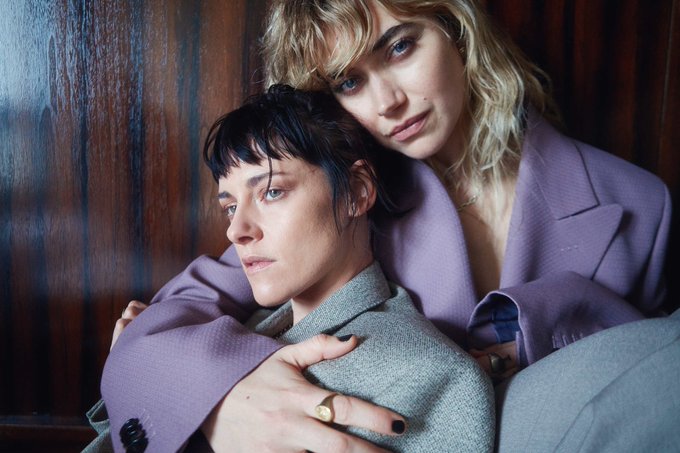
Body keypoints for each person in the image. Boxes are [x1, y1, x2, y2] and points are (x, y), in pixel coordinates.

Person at [101, 0, 674, 451]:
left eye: (400, 47)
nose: (388, 101)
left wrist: (529, 345)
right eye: (349, 82)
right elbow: (156, 334)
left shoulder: (641, 206)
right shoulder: (342, 200)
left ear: (457, 29)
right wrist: (223, 407)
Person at [93, 85, 495, 452]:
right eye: (230, 206)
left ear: (357, 191)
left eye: (271, 191)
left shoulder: (428, 373)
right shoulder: (217, 334)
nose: (236, 230)